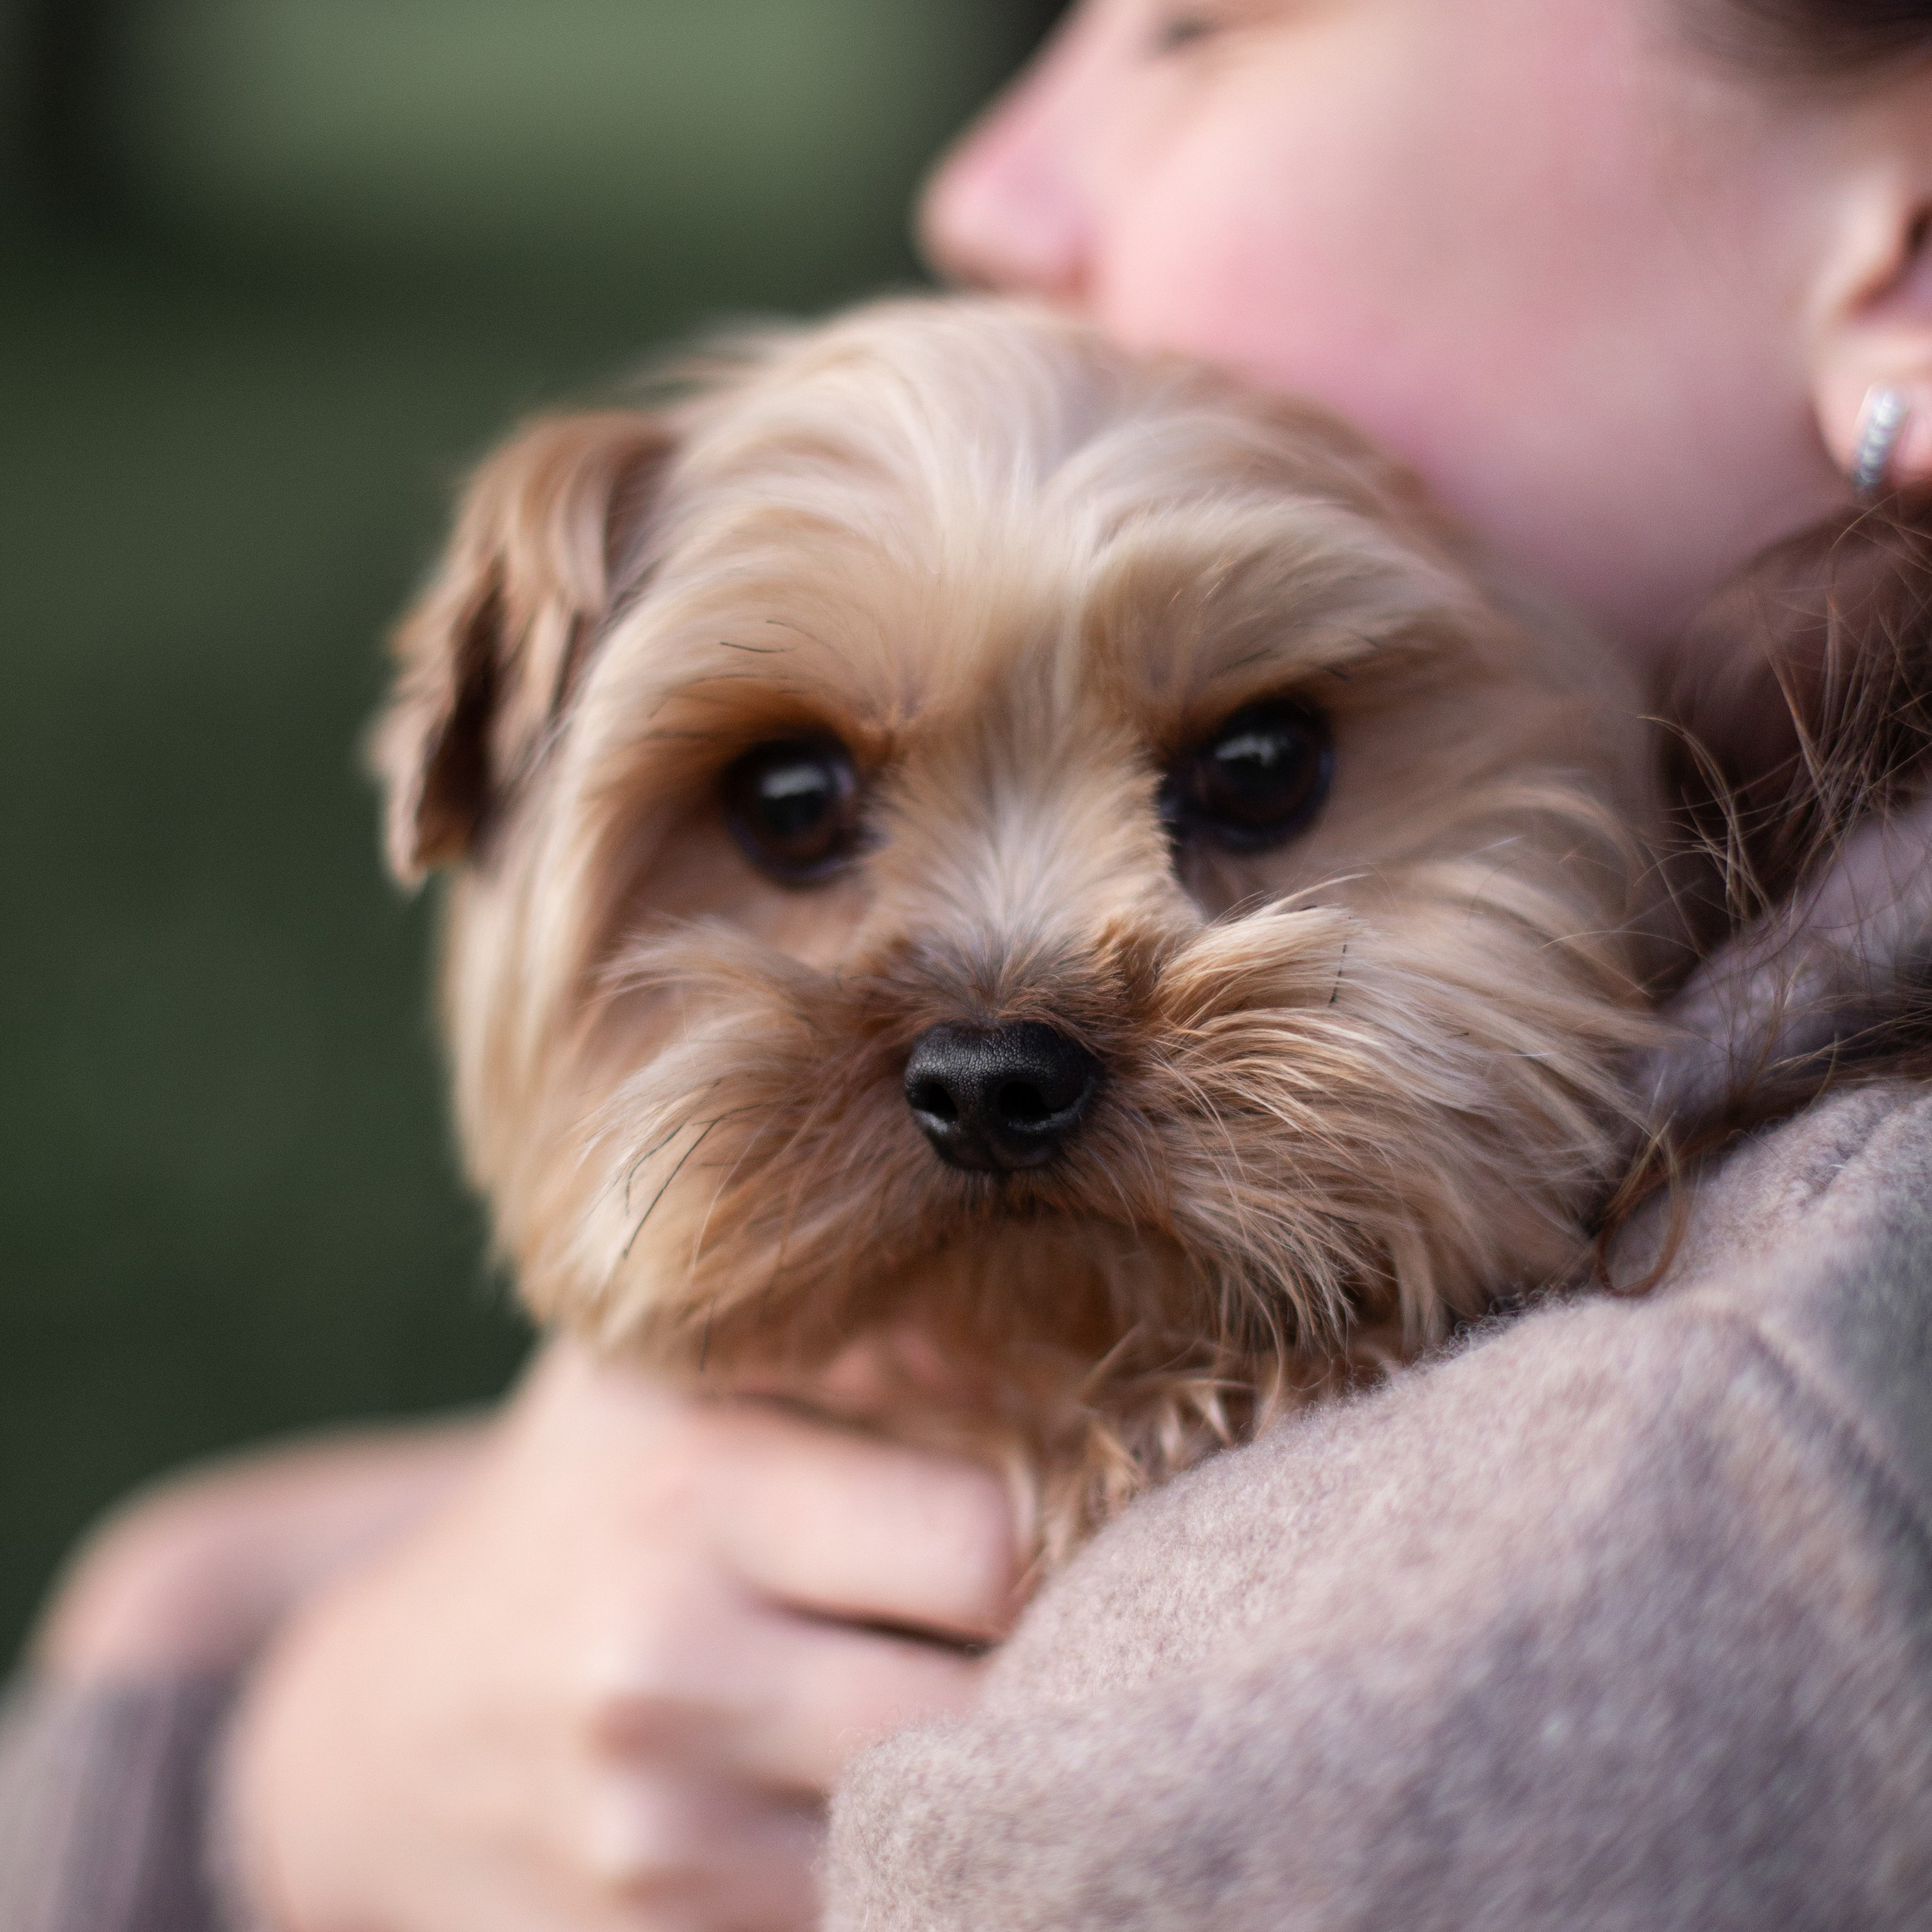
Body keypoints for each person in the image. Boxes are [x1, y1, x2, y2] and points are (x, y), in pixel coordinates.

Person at [7, 0, 1932, 1925]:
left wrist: (214, 1809)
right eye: (794, 807)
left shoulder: (1512, 1624)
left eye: (1247, 777)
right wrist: (223, 1620)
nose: (979, 183)